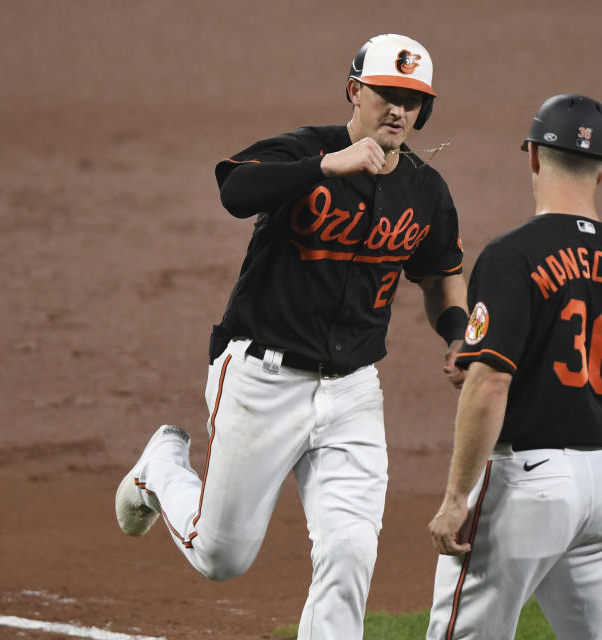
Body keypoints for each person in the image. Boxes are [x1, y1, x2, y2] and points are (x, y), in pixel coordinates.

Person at [114, 33, 469, 640]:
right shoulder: (305, 150)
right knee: (222, 557)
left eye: (412, 101)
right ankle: (161, 469)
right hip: (260, 378)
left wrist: (457, 332)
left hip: (354, 392)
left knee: (350, 554)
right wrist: (329, 165)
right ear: (355, 91)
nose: (399, 111)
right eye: (387, 94)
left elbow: (440, 274)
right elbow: (235, 190)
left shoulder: (424, 189)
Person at [426, 94, 602, 640]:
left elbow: (489, 383)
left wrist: (454, 500)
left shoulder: (512, 256)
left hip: (528, 484)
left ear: (533, 156)